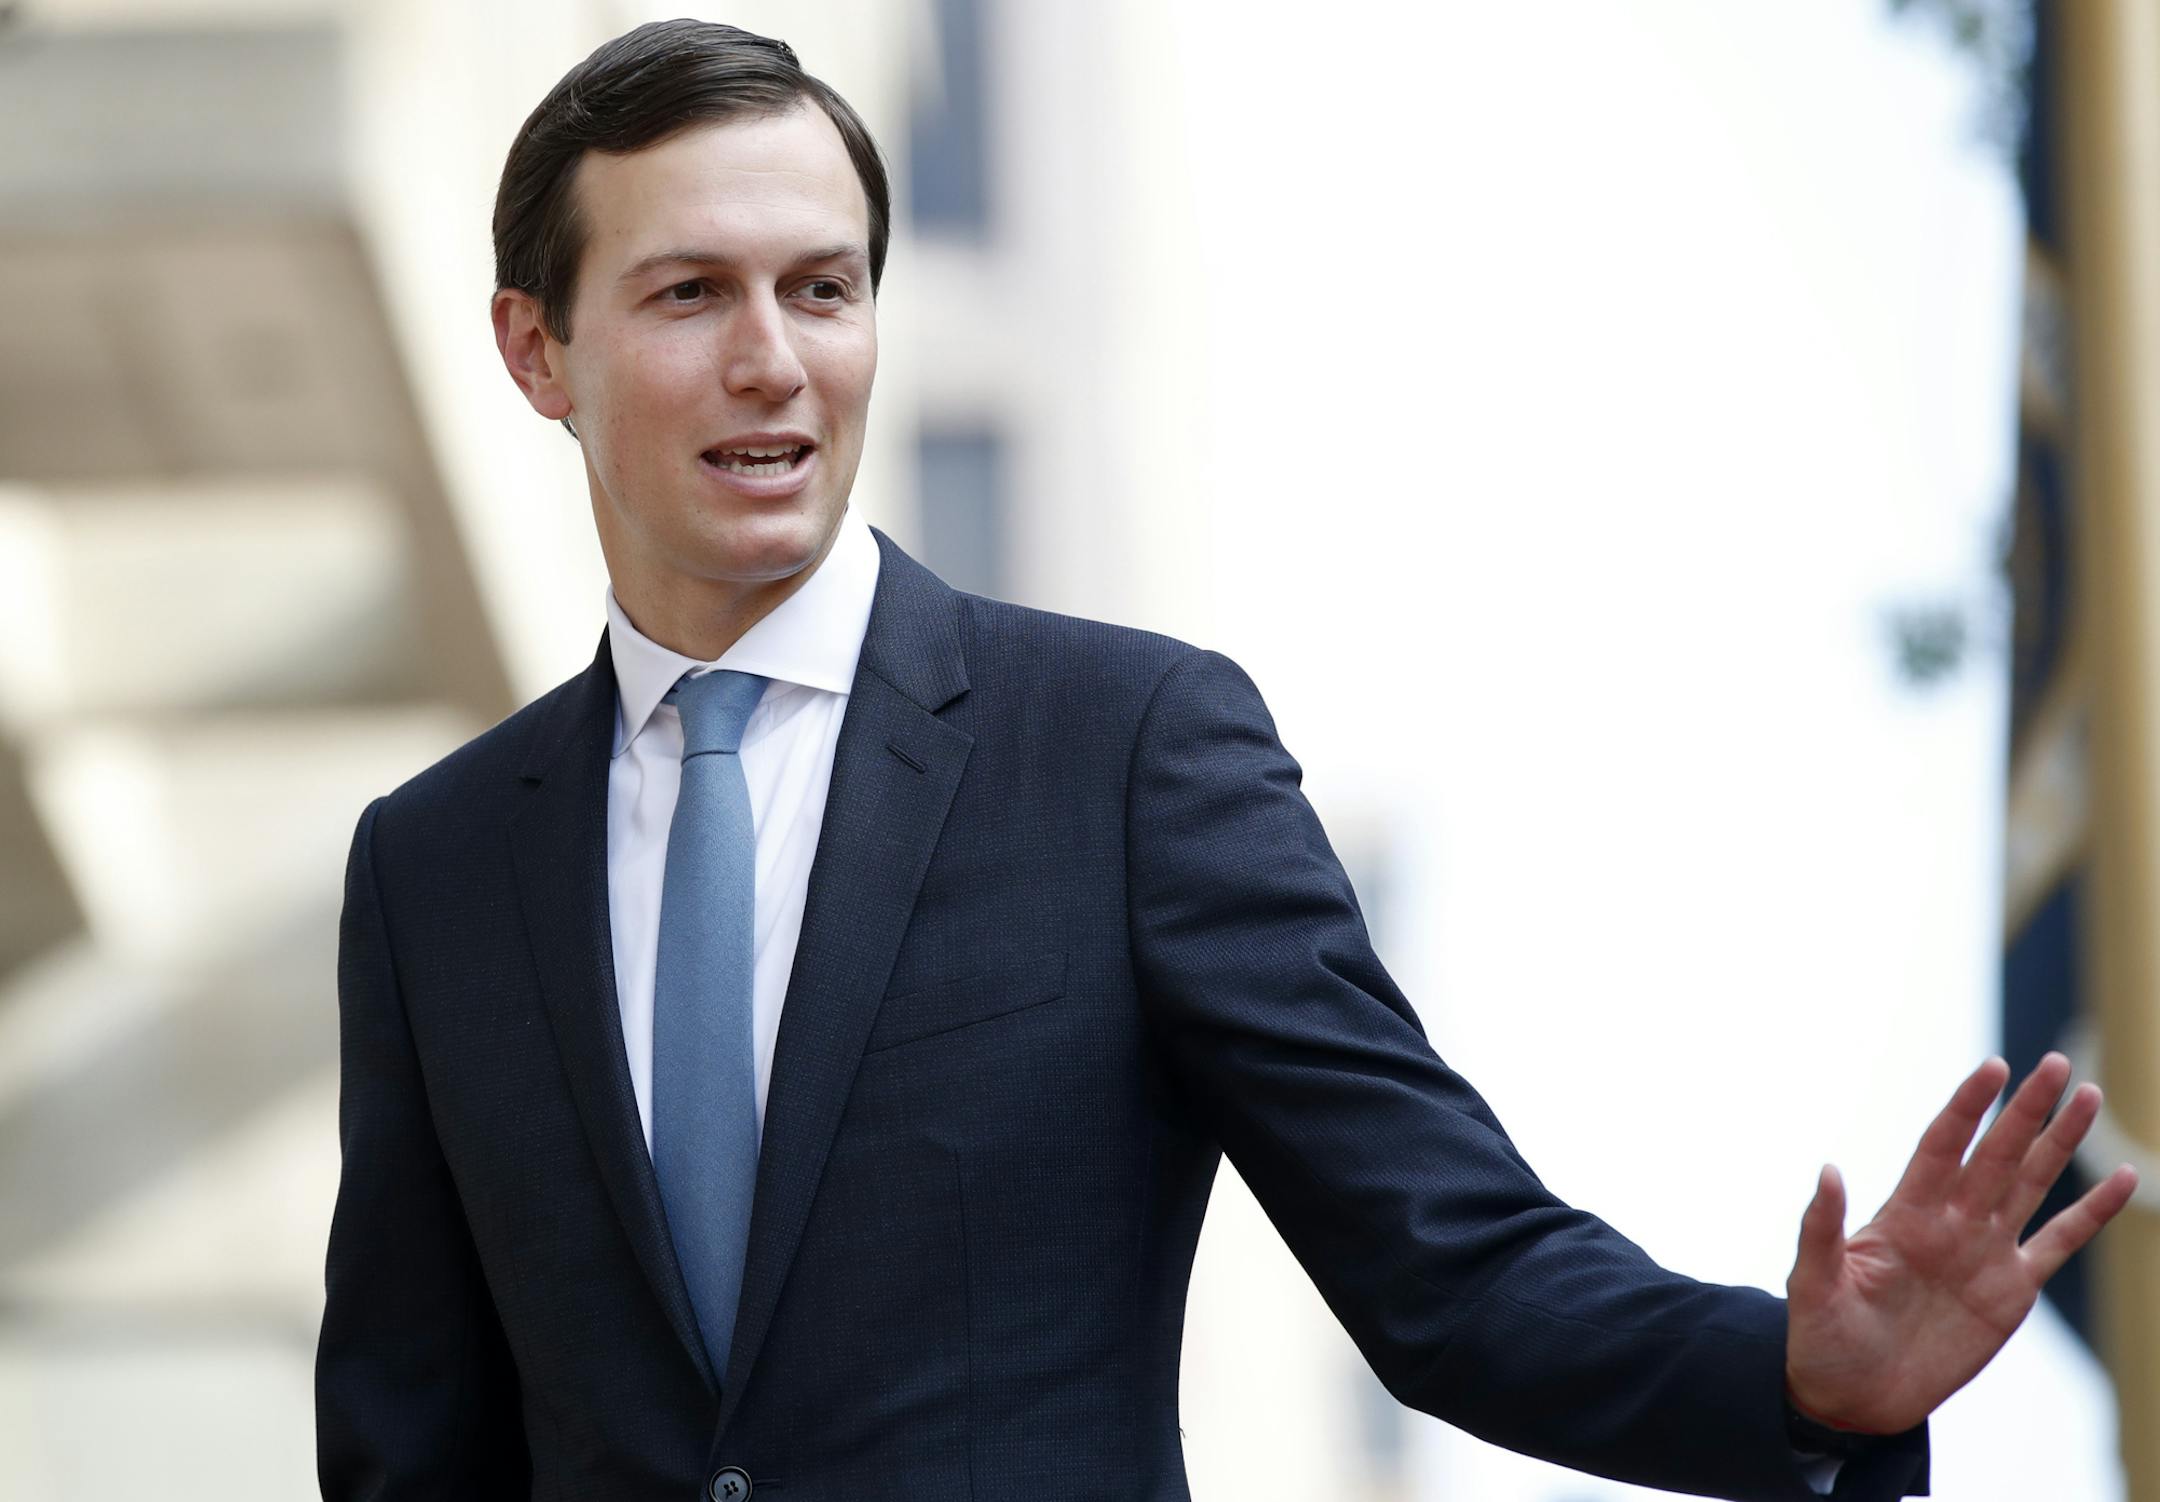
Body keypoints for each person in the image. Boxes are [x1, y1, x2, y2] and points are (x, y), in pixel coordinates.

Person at [314, 20, 2136, 1502]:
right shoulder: (434, 867)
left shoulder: (1121, 751)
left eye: (825, 287)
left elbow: (1450, 1262)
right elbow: (410, 1443)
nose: (776, 362)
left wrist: (1797, 1378)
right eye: (692, 294)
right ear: (536, 350)